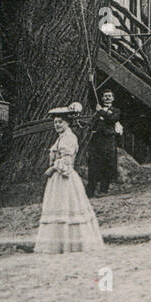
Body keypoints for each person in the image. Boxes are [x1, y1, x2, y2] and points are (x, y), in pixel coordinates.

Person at [34, 105, 105, 254]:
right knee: (59, 208)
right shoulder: (62, 137)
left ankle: (73, 244)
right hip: (58, 179)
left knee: (69, 208)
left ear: (67, 123)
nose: (57, 125)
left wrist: (51, 169)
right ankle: (59, 243)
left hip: (65, 177)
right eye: (55, 122)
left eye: (60, 122)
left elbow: (66, 160)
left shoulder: (70, 138)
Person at [87, 88, 122, 197]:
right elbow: (91, 98)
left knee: (107, 163)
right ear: (102, 98)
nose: (107, 98)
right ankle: (90, 191)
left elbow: (112, 119)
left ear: (113, 98)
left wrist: (101, 111)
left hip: (108, 140)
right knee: (94, 164)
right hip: (97, 140)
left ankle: (103, 190)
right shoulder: (97, 110)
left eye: (109, 96)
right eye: (105, 96)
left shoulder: (116, 110)